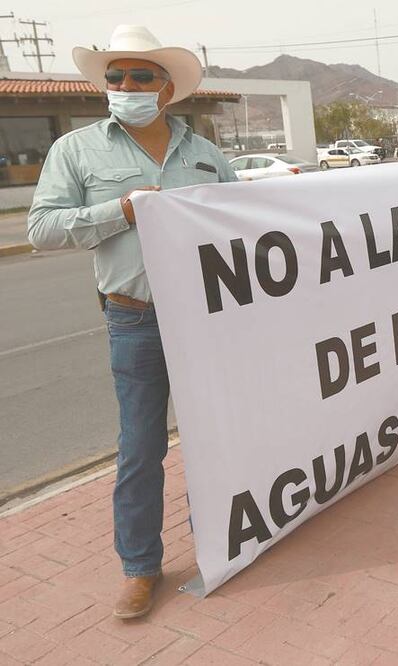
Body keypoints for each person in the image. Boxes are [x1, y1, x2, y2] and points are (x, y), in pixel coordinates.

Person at [27, 24, 237, 619]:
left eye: (140, 75)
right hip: (135, 321)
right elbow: (42, 229)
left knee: (217, 438)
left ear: (166, 90)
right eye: (115, 76)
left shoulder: (203, 152)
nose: (124, 85)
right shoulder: (76, 150)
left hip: (205, 319)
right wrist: (122, 209)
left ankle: (226, 542)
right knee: (141, 449)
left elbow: (240, 219)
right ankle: (140, 568)